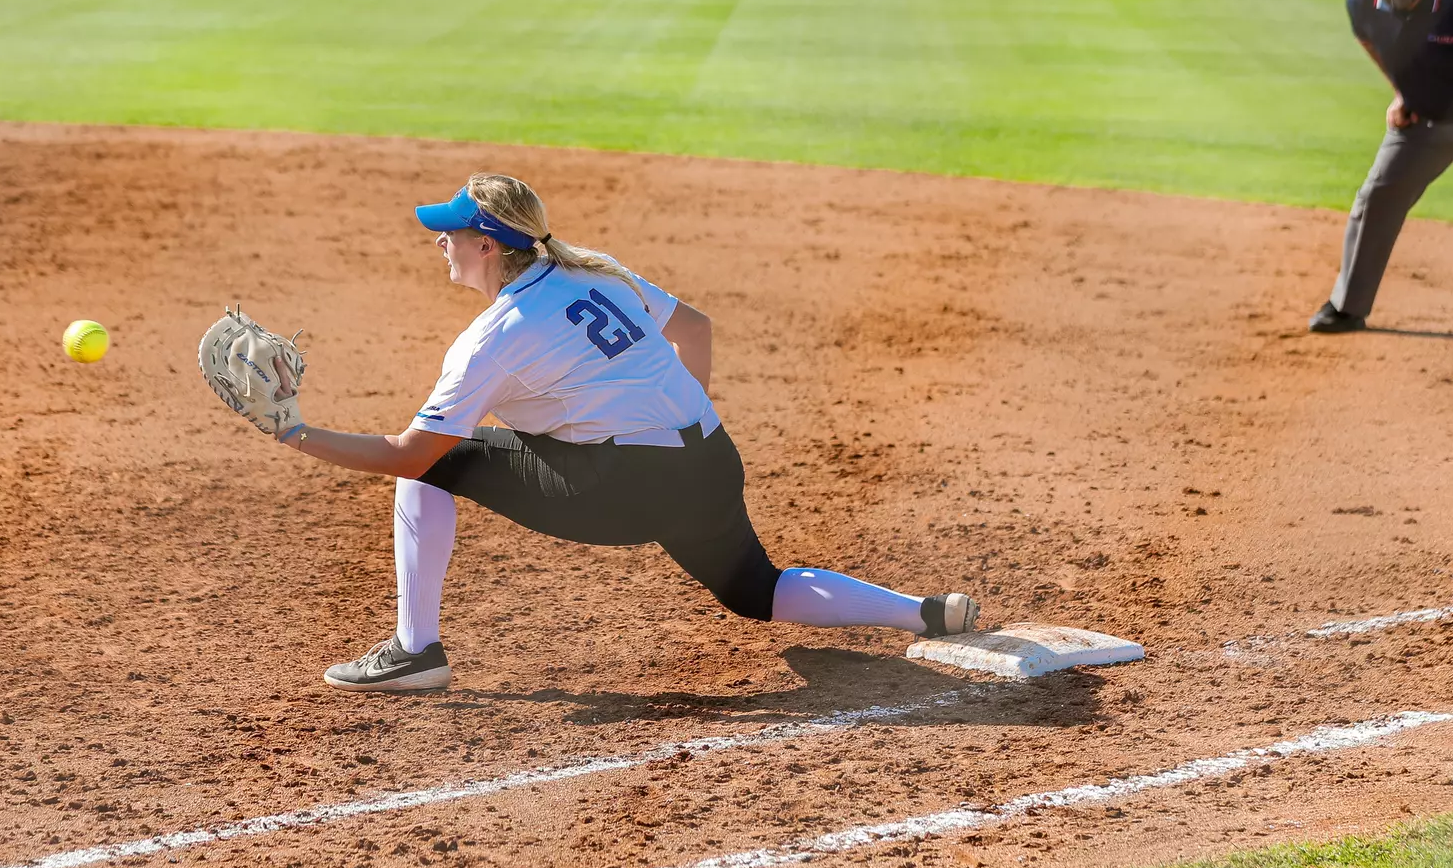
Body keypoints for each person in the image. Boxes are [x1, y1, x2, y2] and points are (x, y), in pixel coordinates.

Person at [206, 173, 979, 692]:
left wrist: (289, 431)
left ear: (487, 245)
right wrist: (668, 414)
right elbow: (696, 329)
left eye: (449, 232)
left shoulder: (495, 334)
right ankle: (923, 611)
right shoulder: (594, 269)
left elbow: (410, 453)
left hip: (618, 492)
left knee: (429, 467)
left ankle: (416, 650)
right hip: (709, 460)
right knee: (754, 589)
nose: (437, 241)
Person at [1312, 0, 1453, 334]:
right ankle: (1347, 306)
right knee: (1376, 199)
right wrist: (1401, 93)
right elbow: (1370, 41)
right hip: (1423, 118)